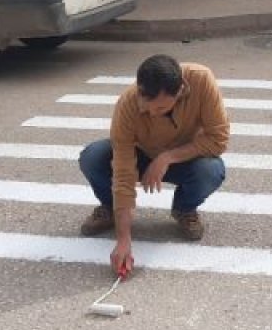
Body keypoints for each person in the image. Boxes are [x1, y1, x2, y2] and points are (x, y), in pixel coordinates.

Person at [78, 55, 229, 276]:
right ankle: (110, 209)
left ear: (179, 92)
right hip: (142, 155)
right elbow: (123, 172)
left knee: (211, 170)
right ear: (139, 88)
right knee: (92, 157)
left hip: (185, 158)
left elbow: (218, 139)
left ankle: (184, 210)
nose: (150, 112)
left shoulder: (201, 81)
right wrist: (123, 239)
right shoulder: (128, 104)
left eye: (159, 108)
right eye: (146, 105)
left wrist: (166, 158)